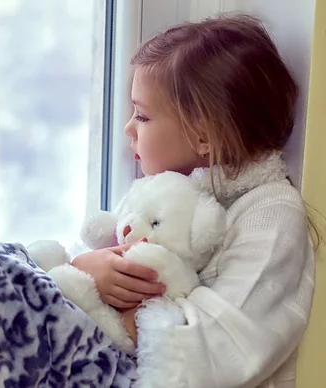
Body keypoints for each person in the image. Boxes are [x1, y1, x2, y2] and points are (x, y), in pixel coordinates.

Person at [72, 13, 316, 388]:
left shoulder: (269, 214)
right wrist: (88, 270)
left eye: (142, 115)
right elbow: (102, 255)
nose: (128, 128)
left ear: (203, 135)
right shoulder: (164, 194)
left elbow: (222, 344)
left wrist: (98, 308)